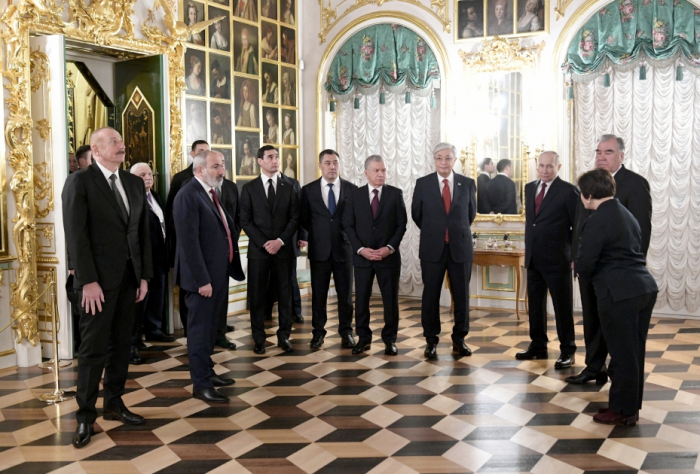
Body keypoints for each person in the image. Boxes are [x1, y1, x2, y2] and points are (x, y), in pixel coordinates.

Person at [62, 127, 152, 449]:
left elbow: (141, 233)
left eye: (121, 141)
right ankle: (86, 416)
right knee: (92, 350)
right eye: (113, 142)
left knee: (121, 346)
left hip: (129, 280)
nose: (122, 146)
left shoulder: (131, 182)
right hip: (96, 283)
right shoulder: (80, 182)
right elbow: (76, 235)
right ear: (96, 151)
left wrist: (143, 276)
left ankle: (114, 402)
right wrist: (87, 281)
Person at [567, 134, 652, 385]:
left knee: (616, 326)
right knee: (592, 319)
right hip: (588, 267)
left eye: (608, 152)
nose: (601, 157)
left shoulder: (636, 184)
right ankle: (594, 367)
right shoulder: (589, 183)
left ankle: (618, 371)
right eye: (598, 152)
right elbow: (580, 225)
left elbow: (640, 231)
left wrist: (631, 268)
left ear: (621, 155)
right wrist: (576, 257)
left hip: (616, 273)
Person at [574, 168, 658, 426]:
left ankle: (621, 410)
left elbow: (586, 261)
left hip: (619, 293)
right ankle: (629, 406)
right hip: (643, 288)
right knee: (633, 353)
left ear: (588, 195)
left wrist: (582, 271)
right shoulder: (625, 213)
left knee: (622, 354)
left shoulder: (597, 219)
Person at [174, 150, 245, 403]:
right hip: (202, 280)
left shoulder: (211, 193)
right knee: (199, 332)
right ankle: (201, 384)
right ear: (200, 169)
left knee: (210, 330)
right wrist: (203, 280)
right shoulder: (188, 195)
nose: (221, 171)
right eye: (216, 166)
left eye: (222, 165)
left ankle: (208, 372)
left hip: (217, 276)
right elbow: (189, 244)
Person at [412, 143, 477, 359]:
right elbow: (417, 215)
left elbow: (470, 215)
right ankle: (431, 341)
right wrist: (437, 232)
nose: (443, 162)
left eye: (448, 158)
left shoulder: (467, 184)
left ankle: (460, 339)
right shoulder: (423, 184)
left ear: (454, 160)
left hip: (460, 248)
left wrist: (453, 231)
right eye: (439, 158)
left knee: (461, 297)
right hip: (432, 249)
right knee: (430, 296)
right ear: (434, 160)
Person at [516, 152, 579, 369]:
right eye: (541, 166)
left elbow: (576, 227)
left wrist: (573, 256)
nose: (544, 170)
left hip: (558, 259)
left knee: (562, 307)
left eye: (549, 166)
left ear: (558, 166)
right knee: (535, 305)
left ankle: (568, 350)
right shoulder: (529, 188)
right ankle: (538, 345)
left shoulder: (569, 191)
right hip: (534, 257)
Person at [343, 155, 407, 355]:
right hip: (363, 257)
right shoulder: (354, 195)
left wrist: (389, 248)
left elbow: (401, 225)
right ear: (366, 172)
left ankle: (390, 340)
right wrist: (361, 249)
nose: (381, 174)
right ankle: (363, 338)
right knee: (361, 300)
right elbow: (348, 225)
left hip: (388, 258)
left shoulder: (395, 194)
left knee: (390, 301)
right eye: (377, 170)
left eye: (383, 170)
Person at [240, 145, 300, 354]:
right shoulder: (249, 188)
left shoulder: (289, 186)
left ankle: (284, 336)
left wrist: (280, 241)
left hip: (284, 251)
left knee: (285, 295)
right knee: (257, 298)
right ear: (260, 161)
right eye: (270, 157)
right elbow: (245, 220)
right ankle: (259, 339)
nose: (275, 160)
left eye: (277, 157)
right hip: (259, 252)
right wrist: (266, 243)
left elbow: (295, 217)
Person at [300, 150, 358, 350]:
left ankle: (347, 333)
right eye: (327, 163)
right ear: (320, 166)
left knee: (345, 296)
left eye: (335, 163)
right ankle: (318, 333)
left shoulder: (352, 189)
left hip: (344, 250)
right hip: (319, 251)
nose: (332, 167)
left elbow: (356, 221)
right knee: (319, 296)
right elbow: (305, 219)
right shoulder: (308, 191)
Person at [129, 163, 174, 364]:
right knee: (139, 302)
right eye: (142, 174)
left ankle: (154, 330)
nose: (148, 177)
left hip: (159, 256)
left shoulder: (154, 196)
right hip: (141, 260)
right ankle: (133, 342)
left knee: (158, 295)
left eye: (150, 173)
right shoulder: (131, 199)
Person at [165, 140, 212, 332]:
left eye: (208, 151)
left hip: (208, 248)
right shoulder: (182, 179)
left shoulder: (213, 178)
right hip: (185, 244)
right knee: (188, 289)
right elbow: (172, 214)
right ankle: (188, 328)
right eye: (201, 151)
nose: (205, 154)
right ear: (192, 154)